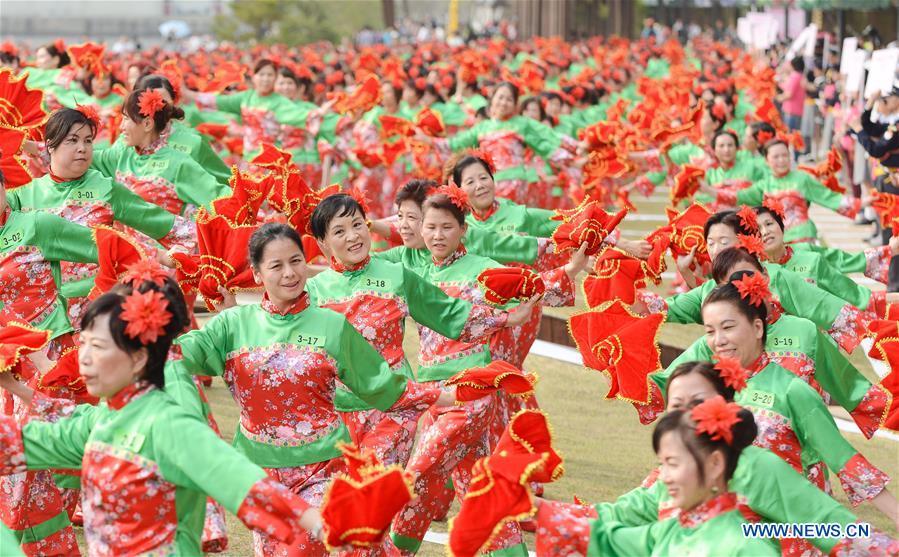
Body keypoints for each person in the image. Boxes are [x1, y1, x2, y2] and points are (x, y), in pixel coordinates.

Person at [169, 223, 454, 556]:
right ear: (258, 275)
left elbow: (382, 385)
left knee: (302, 549)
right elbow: (180, 355)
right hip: (261, 475)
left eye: (296, 261)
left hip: (322, 469)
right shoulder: (233, 325)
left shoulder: (332, 326)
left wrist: (447, 396)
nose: (290, 273)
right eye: (276, 266)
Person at [0, 278, 324, 556]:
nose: (82, 358)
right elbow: (23, 441)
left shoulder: (167, 422)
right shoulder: (103, 420)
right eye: (82, 343)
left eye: (97, 346)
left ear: (139, 357)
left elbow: (238, 478)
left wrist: (325, 524)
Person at [305, 193, 527, 467]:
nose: (353, 236)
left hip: (393, 407)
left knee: (377, 489)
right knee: (344, 500)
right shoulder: (313, 292)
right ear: (322, 242)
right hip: (337, 413)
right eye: (340, 231)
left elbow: (447, 312)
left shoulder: (396, 275)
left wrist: (505, 319)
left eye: (357, 225)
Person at [12, 108, 196, 324]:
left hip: (100, 308)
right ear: (50, 145)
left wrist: (200, 245)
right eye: (73, 140)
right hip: (42, 313)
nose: (82, 148)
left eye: (88, 140)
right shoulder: (21, 197)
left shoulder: (105, 189)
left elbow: (168, 225)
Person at [589, 397, 780, 556]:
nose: (663, 477)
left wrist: (771, 533)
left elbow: (810, 521)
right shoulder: (673, 530)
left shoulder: (745, 547)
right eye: (676, 404)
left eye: (672, 464)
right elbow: (606, 536)